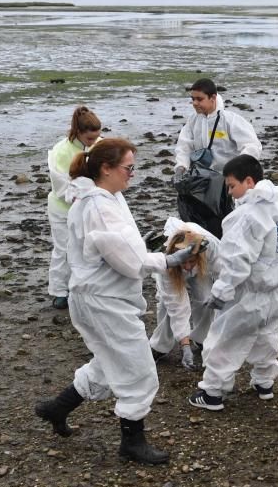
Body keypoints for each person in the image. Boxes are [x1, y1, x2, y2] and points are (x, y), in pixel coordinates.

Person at [34, 138, 198, 465]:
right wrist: (168, 260)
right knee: (138, 370)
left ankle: (58, 408)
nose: (133, 174)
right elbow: (131, 262)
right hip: (103, 301)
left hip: (98, 297)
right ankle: (132, 443)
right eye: (128, 168)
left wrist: (146, 248)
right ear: (105, 168)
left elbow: (123, 249)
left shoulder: (102, 197)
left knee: (111, 360)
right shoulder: (98, 206)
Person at [188, 155, 278, 411]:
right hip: (276, 291)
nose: (230, 192)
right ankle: (264, 383)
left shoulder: (247, 216)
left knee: (226, 339)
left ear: (248, 181)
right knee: (267, 337)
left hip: (248, 294)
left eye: (231, 185)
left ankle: (213, 393)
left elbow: (236, 261)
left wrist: (221, 291)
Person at [46, 106, 102, 310]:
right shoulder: (61, 151)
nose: (94, 142)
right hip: (62, 208)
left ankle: (84, 287)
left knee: (88, 247)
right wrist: (86, 194)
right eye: (90, 139)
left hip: (89, 205)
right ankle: (59, 291)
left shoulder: (99, 144)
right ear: (78, 132)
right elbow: (62, 187)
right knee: (64, 248)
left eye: (97, 137)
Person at [149, 218, 220, 371]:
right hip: (171, 269)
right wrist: (184, 345)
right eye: (184, 262)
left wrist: (223, 293)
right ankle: (160, 346)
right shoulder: (165, 263)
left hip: (203, 267)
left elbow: (225, 271)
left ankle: (201, 337)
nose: (187, 267)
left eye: (191, 261)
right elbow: (177, 306)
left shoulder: (210, 246)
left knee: (207, 298)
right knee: (166, 306)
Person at [173, 78, 262, 180]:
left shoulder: (230, 120)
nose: (194, 103)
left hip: (229, 179)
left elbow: (252, 146)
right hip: (202, 177)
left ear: (213, 98)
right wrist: (181, 168)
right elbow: (184, 147)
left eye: (199, 99)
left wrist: (238, 170)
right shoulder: (193, 120)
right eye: (193, 99)